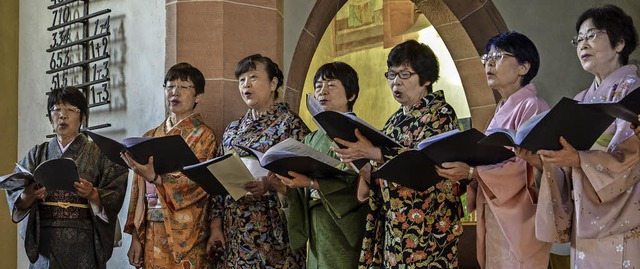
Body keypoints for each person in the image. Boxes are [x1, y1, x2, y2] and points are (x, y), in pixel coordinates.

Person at [528, 5, 640, 268]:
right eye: (578, 39)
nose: (582, 45)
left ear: (619, 43)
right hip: (585, 216)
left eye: (591, 36)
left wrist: (580, 160)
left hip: (622, 218)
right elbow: (569, 162)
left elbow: (632, 158)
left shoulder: (632, 92)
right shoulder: (580, 100)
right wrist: (544, 159)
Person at [332, 40, 462, 268]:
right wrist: (360, 162)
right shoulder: (393, 121)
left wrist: (373, 152)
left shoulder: (440, 113)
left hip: (429, 225)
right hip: (393, 224)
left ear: (427, 79)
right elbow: (382, 172)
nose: (396, 82)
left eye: (404, 74)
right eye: (391, 75)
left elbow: (423, 164)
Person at [435, 31, 551, 268]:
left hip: (520, 214)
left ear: (523, 67)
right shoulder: (500, 110)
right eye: (487, 57)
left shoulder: (533, 106)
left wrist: (473, 173)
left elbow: (525, 166)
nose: (489, 62)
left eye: (498, 56)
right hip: (494, 208)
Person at [1, 86, 128, 268]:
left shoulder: (99, 153)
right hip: (46, 241)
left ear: (82, 116)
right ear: (50, 116)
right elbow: (16, 192)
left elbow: (115, 189)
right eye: (57, 109)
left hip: (83, 242)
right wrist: (28, 195)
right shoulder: (38, 153)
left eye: (70, 110)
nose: (63, 115)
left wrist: (93, 194)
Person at [210, 54, 309, 268]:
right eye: (242, 79)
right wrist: (216, 227)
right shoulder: (232, 129)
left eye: (253, 77)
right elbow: (218, 178)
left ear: (273, 83)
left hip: (272, 229)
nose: (246, 84)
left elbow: (307, 179)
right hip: (235, 228)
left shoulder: (290, 125)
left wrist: (271, 185)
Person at [122, 63, 218, 268]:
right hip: (151, 228)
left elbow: (199, 184)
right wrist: (136, 238)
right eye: (170, 86)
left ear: (198, 96)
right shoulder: (150, 136)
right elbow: (138, 191)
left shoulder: (204, 136)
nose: (175, 92)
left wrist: (156, 179)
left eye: (184, 87)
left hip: (186, 231)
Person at [278, 62, 368, 268]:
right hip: (317, 225)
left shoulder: (359, 135)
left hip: (344, 227)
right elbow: (301, 191)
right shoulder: (311, 139)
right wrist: (282, 186)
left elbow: (357, 185)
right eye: (318, 86)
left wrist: (312, 183)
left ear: (351, 94)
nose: (322, 91)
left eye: (331, 85)